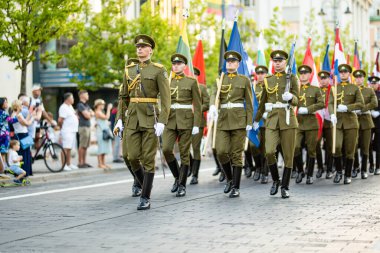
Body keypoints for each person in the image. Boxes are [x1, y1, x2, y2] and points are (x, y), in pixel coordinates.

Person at [113, 34, 170, 210]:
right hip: (132, 118)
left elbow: (166, 99)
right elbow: (123, 97)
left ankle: (145, 196)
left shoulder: (158, 70)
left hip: (150, 116)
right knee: (130, 156)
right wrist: (119, 119)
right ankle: (145, 183)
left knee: (147, 158)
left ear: (150, 50)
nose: (139, 49)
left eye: (143, 47)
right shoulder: (129, 70)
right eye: (137, 47)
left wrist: (162, 121)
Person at [253, 50, 299, 198]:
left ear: (285, 62)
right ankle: (275, 180)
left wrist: (291, 97)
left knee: (288, 155)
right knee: (269, 151)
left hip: (287, 119)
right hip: (272, 119)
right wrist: (255, 120)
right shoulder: (268, 79)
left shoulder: (291, 78)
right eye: (275, 60)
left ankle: (284, 186)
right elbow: (263, 102)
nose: (278, 63)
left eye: (280, 60)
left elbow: (299, 100)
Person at [209, 50, 253, 198]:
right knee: (221, 151)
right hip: (223, 120)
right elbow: (215, 96)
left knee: (236, 154)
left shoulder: (244, 80)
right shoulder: (220, 79)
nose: (230, 63)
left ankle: (236, 187)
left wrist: (249, 121)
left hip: (239, 120)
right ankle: (229, 179)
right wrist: (213, 106)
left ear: (238, 64)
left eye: (233, 61)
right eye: (228, 61)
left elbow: (249, 102)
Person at [162, 53, 202, 197]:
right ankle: (177, 177)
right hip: (170, 120)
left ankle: (182, 185)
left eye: (179, 64)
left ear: (184, 66)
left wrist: (197, 123)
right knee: (166, 149)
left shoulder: (191, 82)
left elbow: (198, 105)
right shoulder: (167, 81)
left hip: (186, 121)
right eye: (174, 64)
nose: (176, 66)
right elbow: (163, 103)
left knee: (185, 153)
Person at [328, 64, 364, 184]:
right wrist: (332, 114)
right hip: (337, 122)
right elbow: (330, 103)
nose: (343, 73)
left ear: (349, 74)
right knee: (337, 147)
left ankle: (347, 174)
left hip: (351, 122)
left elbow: (360, 104)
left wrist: (348, 107)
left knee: (350, 149)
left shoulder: (354, 88)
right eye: (341, 72)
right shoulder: (334, 87)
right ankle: (339, 171)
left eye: (345, 72)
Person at [293, 65, 324, 185]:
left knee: (311, 150)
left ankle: (310, 174)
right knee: (295, 147)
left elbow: (321, 104)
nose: (303, 75)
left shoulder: (315, 89)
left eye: (305, 73)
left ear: (310, 75)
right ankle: (300, 171)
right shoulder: (295, 89)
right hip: (298, 123)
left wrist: (309, 109)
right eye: (301, 73)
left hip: (311, 123)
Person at [351, 70, 378, 179]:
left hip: (366, 121)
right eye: (356, 77)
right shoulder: (351, 89)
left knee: (365, 147)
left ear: (363, 78)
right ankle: (355, 166)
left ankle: (364, 170)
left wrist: (362, 109)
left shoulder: (369, 90)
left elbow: (374, 103)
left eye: (360, 77)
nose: (358, 79)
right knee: (353, 145)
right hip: (353, 121)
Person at [189, 67, 210, 185]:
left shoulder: (201, 87)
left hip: (198, 121)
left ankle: (195, 175)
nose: (193, 77)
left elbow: (207, 103)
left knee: (196, 147)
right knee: (184, 147)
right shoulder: (185, 86)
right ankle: (191, 166)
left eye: (195, 75)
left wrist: (197, 109)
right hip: (184, 121)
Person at [250, 65, 269, 184]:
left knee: (265, 148)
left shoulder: (270, 86)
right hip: (255, 121)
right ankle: (257, 167)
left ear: (266, 74)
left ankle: (265, 172)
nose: (260, 75)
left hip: (266, 121)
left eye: (262, 73)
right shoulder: (252, 88)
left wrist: (268, 112)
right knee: (253, 146)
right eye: (258, 73)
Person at [316, 70, 334, 179]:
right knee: (316, 143)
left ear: (329, 79)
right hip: (318, 121)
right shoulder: (316, 90)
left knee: (330, 146)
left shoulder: (333, 90)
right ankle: (320, 167)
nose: (323, 80)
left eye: (325, 78)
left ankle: (329, 168)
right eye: (321, 78)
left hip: (329, 121)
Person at [11, 100, 35, 176]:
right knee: (25, 154)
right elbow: (27, 124)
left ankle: (24, 172)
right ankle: (24, 173)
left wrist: (30, 114)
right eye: (21, 105)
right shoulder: (18, 115)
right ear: (17, 106)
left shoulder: (15, 114)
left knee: (25, 153)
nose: (22, 106)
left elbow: (24, 122)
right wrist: (33, 117)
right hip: (22, 135)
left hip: (21, 134)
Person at [58, 92, 79, 171]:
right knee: (65, 148)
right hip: (67, 130)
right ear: (68, 99)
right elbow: (60, 120)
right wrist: (61, 129)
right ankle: (63, 165)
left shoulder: (70, 106)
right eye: (72, 98)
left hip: (72, 130)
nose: (73, 99)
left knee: (69, 148)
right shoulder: (63, 107)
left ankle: (69, 163)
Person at [30, 84, 52, 152]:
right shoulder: (29, 100)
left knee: (37, 138)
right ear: (33, 91)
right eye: (38, 90)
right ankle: (29, 154)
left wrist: (50, 120)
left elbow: (43, 112)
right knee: (30, 139)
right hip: (30, 123)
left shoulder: (39, 101)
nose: (39, 92)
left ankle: (37, 153)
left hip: (37, 123)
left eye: (40, 91)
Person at [0, 97, 17, 175]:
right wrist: (17, 113)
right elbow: (12, 120)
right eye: (5, 102)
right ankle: (2, 171)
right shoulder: (3, 113)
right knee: (3, 154)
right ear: (2, 104)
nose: (7, 103)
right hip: (3, 136)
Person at [77, 90, 93, 168]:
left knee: (86, 146)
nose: (88, 96)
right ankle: (80, 163)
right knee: (82, 145)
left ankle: (84, 162)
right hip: (83, 127)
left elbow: (92, 113)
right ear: (82, 95)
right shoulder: (80, 105)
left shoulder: (86, 105)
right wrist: (89, 113)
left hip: (87, 126)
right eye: (87, 94)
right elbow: (87, 116)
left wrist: (89, 113)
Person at [94, 99, 113, 169]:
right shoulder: (98, 112)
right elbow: (106, 117)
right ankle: (100, 164)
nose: (103, 106)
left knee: (104, 148)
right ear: (98, 105)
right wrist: (108, 109)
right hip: (100, 132)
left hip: (104, 131)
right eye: (102, 104)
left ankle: (103, 163)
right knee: (101, 148)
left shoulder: (100, 111)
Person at [368, 75, 380, 175]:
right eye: (372, 83)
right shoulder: (366, 94)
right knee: (368, 144)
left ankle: (378, 166)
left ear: (378, 84)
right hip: (369, 121)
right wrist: (370, 111)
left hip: (379, 122)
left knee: (378, 145)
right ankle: (371, 164)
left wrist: (379, 112)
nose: (373, 85)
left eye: (375, 83)